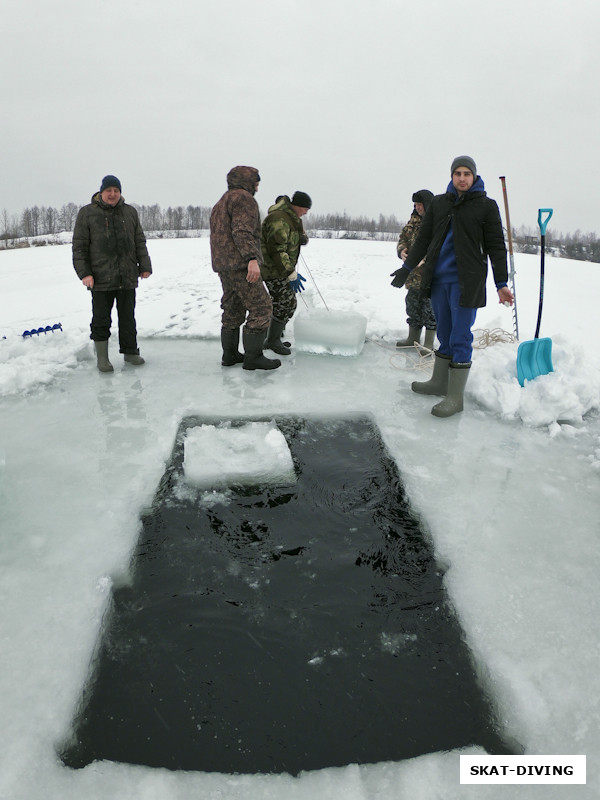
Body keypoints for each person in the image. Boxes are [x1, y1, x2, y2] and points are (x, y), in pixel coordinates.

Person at [402, 156, 514, 417]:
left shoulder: (486, 206)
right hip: (439, 280)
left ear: (474, 176)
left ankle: (456, 397)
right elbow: (424, 239)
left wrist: (500, 282)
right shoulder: (441, 203)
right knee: (444, 332)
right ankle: (440, 382)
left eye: (467, 173)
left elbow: (496, 246)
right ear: (451, 176)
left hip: (467, 282)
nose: (462, 178)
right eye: (457, 173)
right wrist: (406, 268)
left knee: (460, 335)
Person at [72, 175, 152, 373]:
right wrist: (85, 273)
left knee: (127, 318)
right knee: (101, 318)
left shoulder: (130, 212)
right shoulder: (87, 213)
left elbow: (139, 241)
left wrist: (145, 265)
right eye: (109, 190)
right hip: (99, 278)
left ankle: (131, 352)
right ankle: (103, 358)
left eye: (116, 190)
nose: (113, 194)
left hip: (126, 276)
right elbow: (79, 247)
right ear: (101, 192)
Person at [209, 166, 280, 371]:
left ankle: (229, 355)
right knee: (261, 307)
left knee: (233, 308)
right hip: (241, 264)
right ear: (248, 182)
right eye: (256, 182)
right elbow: (241, 230)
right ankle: (254, 357)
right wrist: (252, 258)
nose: (257, 186)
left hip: (224, 265)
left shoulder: (221, 202)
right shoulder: (244, 199)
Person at [260, 191, 312, 355]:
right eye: (305, 209)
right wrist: (290, 273)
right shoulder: (279, 219)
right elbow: (277, 249)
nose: (306, 212)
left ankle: (272, 338)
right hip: (273, 269)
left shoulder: (291, 219)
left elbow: (293, 239)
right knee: (287, 302)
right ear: (297, 205)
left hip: (280, 269)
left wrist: (300, 237)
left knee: (282, 303)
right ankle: (273, 340)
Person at [391, 189, 436, 351]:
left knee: (429, 309)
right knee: (412, 305)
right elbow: (403, 238)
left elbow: (438, 246)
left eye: (420, 204)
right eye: (415, 205)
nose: (417, 208)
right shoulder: (413, 221)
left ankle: (429, 343)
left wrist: (424, 259)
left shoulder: (436, 222)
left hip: (430, 276)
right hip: (412, 276)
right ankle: (413, 338)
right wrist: (402, 250)